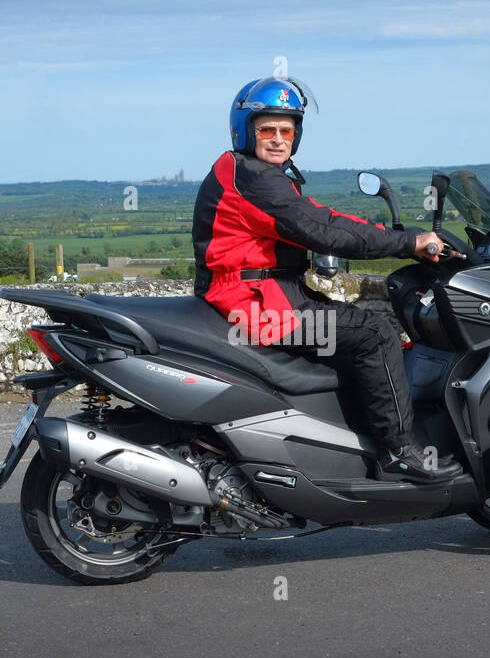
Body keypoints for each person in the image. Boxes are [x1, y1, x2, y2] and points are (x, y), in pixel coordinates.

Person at [192, 77, 462, 483]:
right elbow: (322, 229)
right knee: (373, 333)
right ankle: (398, 452)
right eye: (267, 129)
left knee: (347, 326)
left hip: (265, 295)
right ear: (245, 131)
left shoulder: (250, 173)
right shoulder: (255, 179)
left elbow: (322, 218)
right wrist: (409, 243)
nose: (279, 139)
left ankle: (344, 438)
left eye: (288, 130)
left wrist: (400, 236)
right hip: (256, 309)